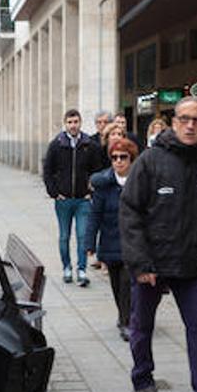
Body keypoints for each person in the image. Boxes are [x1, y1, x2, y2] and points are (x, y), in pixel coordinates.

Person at [120, 96, 197, 392]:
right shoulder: (150, 162)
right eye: (184, 119)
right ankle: (143, 379)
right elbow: (129, 213)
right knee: (142, 325)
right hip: (152, 264)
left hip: (194, 266)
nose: (191, 125)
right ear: (174, 121)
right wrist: (140, 265)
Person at [41, 108, 106, 286]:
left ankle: (82, 270)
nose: (73, 125)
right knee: (64, 236)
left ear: (80, 123)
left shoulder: (89, 145)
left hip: (83, 200)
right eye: (70, 122)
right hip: (63, 201)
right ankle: (67, 268)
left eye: (76, 122)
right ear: (65, 124)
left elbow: (97, 170)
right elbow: (48, 171)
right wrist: (54, 192)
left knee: (82, 235)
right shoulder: (56, 144)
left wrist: (90, 191)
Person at [87, 137, 137, 339]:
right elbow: (94, 215)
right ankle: (123, 315)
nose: (118, 161)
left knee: (127, 283)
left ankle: (127, 321)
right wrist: (89, 243)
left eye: (123, 157)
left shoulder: (139, 182)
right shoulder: (103, 184)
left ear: (131, 159)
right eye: (114, 157)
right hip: (110, 241)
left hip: (133, 243)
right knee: (116, 284)